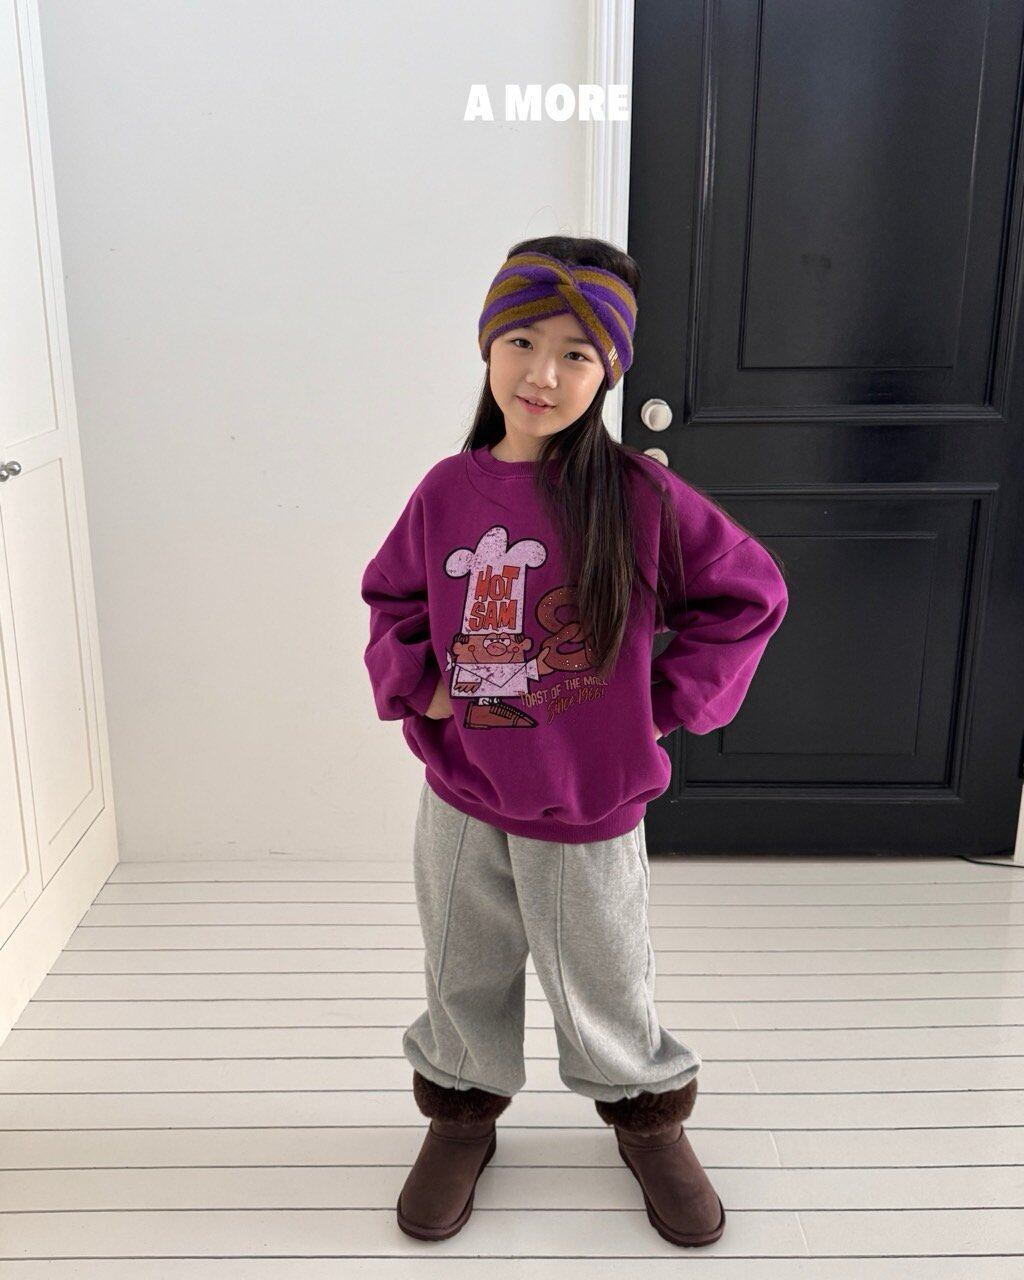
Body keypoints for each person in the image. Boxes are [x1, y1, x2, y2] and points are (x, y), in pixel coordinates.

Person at [360, 236, 789, 1246]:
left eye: (575, 354)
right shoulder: (445, 491)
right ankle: (462, 1113)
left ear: (608, 373)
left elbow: (749, 593)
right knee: (462, 965)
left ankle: (646, 1116)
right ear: (487, 345)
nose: (542, 374)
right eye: (521, 341)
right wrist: (420, 686)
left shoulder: (638, 497)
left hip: (586, 799)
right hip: (463, 792)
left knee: (603, 976)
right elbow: (392, 597)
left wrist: (658, 703)